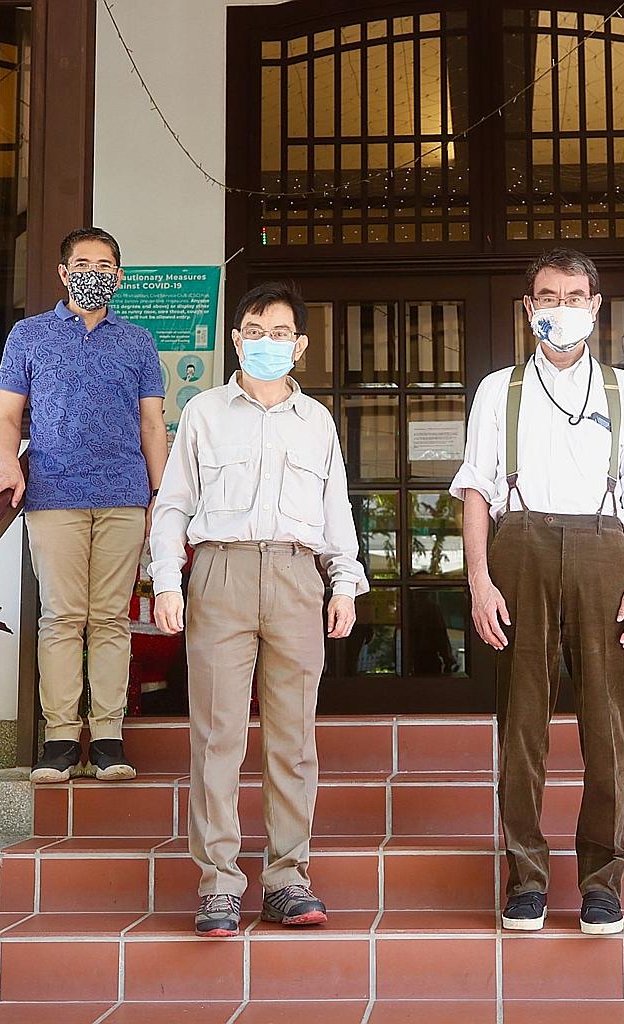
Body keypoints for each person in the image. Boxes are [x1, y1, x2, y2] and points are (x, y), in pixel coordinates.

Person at [451, 248, 624, 936]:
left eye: (575, 297)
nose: (560, 309)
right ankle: (527, 878)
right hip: (520, 546)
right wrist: (479, 579)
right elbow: (477, 489)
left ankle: (602, 881)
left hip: (606, 548)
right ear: (528, 308)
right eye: (548, 297)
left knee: (606, 722)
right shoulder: (499, 388)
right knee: (522, 722)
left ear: (596, 307)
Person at [150, 280, 366, 939]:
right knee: (218, 735)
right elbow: (173, 503)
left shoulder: (318, 422)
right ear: (235, 338)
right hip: (221, 571)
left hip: (299, 577)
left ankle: (286, 882)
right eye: (253, 330)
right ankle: (218, 884)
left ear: (299, 345)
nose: (265, 343)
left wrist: (344, 582)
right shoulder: (205, 413)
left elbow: (337, 510)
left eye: (280, 333)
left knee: (292, 741)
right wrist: (165, 579)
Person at [0, 226, 168, 784]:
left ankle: (107, 736)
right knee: (62, 616)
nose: (93, 272)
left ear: (118, 275)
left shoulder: (137, 341)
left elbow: (152, 424)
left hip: (124, 495)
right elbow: (7, 416)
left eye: (105, 264)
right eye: (82, 263)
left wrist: (161, 496)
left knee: (111, 617)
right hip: (53, 494)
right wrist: (8, 462)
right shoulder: (28, 335)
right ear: (63, 273)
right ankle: (61, 737)